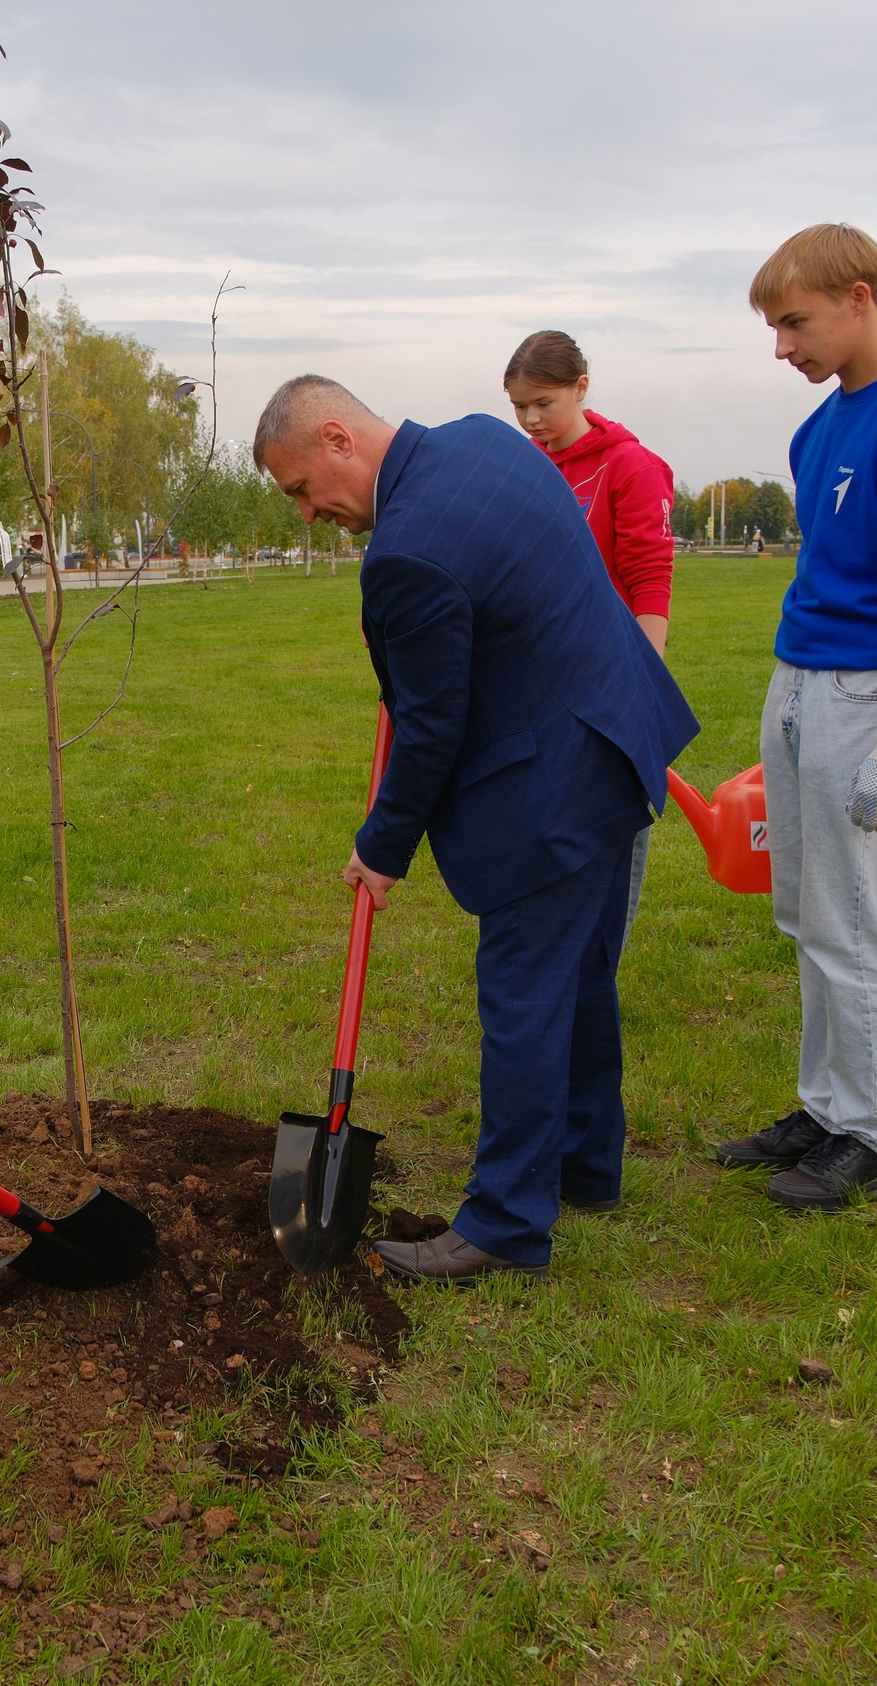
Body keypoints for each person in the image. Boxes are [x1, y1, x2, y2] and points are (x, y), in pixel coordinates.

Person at [254, 377, 699, 1282]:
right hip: (618, 738)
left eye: (302, 489)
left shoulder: (408, 552)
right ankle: (586, 1166)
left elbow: (430, 730)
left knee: (526, 995)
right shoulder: (484, 442)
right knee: (578, 978)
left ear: (339, 438)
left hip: (554, 784)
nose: (307, 515)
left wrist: (381, 847)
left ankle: (504, 1223)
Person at [708, 224, 877, 1212]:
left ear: (858, 296)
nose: (782, 347)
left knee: (857, 921)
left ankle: (869, 1135)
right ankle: (822, 1109)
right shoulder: (822, 425)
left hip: (871, 696)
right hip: (800, 683)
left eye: (794, 321)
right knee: (805, 912)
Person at [504, 330, 675, 931]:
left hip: (611, 683)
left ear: (580, 388)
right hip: (543, 686)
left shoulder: (628, 465)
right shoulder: (526, 464)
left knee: (609, 838)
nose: (530, 419)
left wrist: (644, 682)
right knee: (548, 842)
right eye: (518, 406)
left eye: (543, 403)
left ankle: (594, 988)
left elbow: (651, 575)